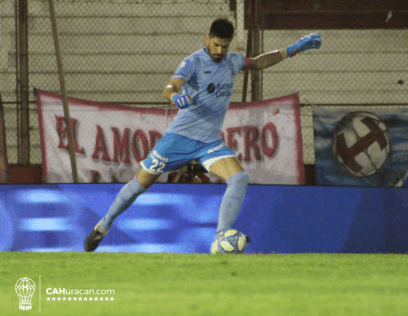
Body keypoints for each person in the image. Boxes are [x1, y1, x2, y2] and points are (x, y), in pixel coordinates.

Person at [84, 18, 321, 253]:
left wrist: (293, 48)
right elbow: (170, 87)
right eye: (216, 44)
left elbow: (259, 62)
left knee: (239, 178)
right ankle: (103, 225)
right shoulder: (193, 62)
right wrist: (175, 97)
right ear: (207, 39)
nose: (220, 51)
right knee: (139, 185)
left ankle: (220, 238)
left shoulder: (233, 62)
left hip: (208, 142)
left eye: (224, 46)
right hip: (178, 139)